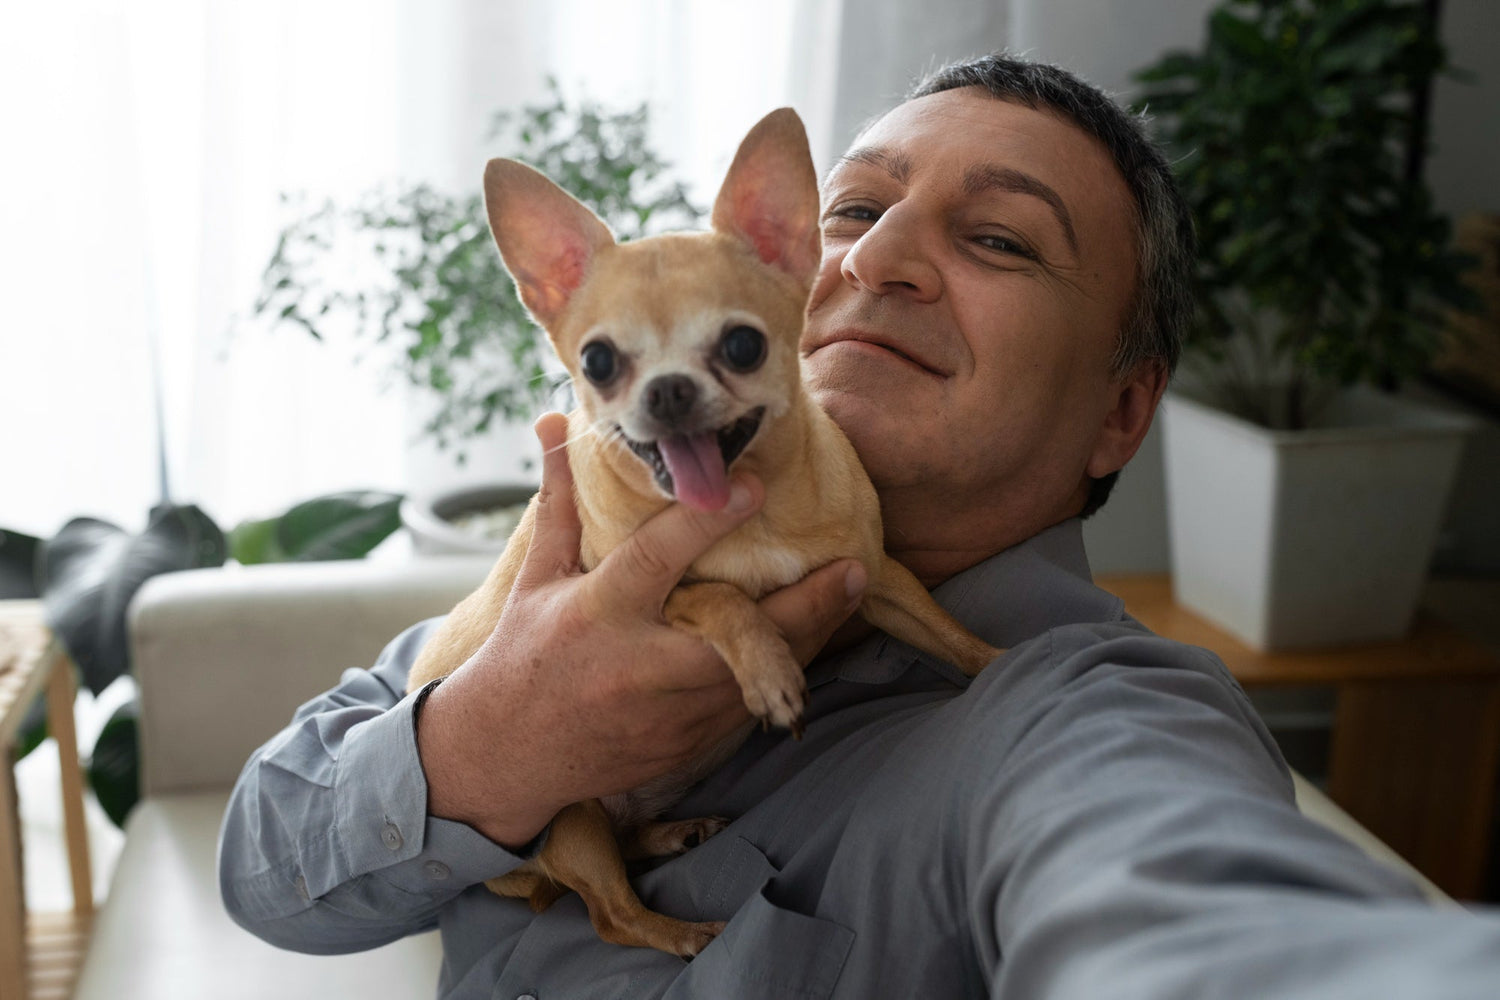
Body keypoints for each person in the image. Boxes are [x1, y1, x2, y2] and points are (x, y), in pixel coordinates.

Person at [219, 54, 1500, 998]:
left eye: (998, 237)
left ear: (1120, 413)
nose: (871, 262)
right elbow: (263, 864)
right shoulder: (569, 565)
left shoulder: (1075, 721)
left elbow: (1187, 900)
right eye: (848, 213)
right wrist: (488, 745)